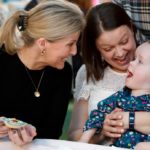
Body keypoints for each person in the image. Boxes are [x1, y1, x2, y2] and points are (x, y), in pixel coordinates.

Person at [0, 0, 85, 146]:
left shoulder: (63, 73)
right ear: (42, 43)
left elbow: (53, 133)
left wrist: (33, 132)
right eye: (70, 44)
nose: (74, 52)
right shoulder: (3, 61)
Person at [68, 2, 150, 145]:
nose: (120, 53)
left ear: (131, 28)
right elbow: (75, 134)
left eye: (124, 41)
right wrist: (102, 135)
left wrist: (127, 119)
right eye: (108, 48)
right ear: (97, 48)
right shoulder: (89, 73)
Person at [79, 41, 150, 149]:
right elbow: (99, 113)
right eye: (134, 58)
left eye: (140, 61)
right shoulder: (122, 96)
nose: (132, 62)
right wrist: (84, 139)